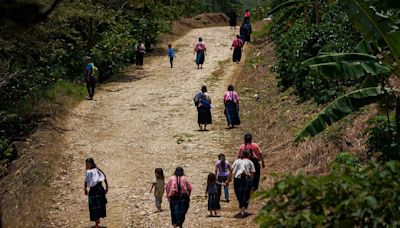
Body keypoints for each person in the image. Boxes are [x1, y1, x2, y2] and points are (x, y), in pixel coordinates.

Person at [84, 158, 108, 228]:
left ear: (92, 163)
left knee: (98, 206)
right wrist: (85, 189)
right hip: (93, 190)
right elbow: (85, 182)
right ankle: (97, 222)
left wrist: (107, 187)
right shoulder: (88, 172)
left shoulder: (97, 170)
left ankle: (97, 223)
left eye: (88, 163)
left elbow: (104, 178)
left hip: (99, 189)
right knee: (93, 206)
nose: (87, 165)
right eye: (86, 164)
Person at [231, 150, 255, 217]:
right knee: (246, 194)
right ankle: (243, 210)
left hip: (237, 179)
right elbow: (253, 172)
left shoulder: (236, 161)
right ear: (248, 155)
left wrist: (230, 179)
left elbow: (231, 169)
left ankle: (241, 208)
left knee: (239, 194)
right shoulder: (249, 162)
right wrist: (251, 181)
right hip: (246, 179)